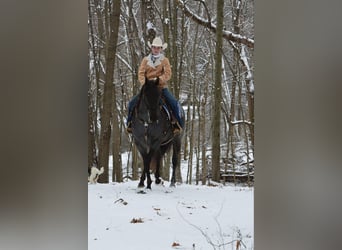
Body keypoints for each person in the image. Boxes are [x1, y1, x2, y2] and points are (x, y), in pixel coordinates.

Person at [126, 37, 183, 134]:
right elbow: (140, 73)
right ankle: (130, 123)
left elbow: (168, 73)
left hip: (160, 87)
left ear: (161, 49)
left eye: (158, 48)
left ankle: (176, 124)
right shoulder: (145, 60)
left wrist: (158, 80)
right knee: (132, 103)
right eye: (154, 47)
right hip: (147, 88)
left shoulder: (165, 60)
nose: (156, 49)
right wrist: (146, 83)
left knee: (174, 103)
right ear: (151, 48)